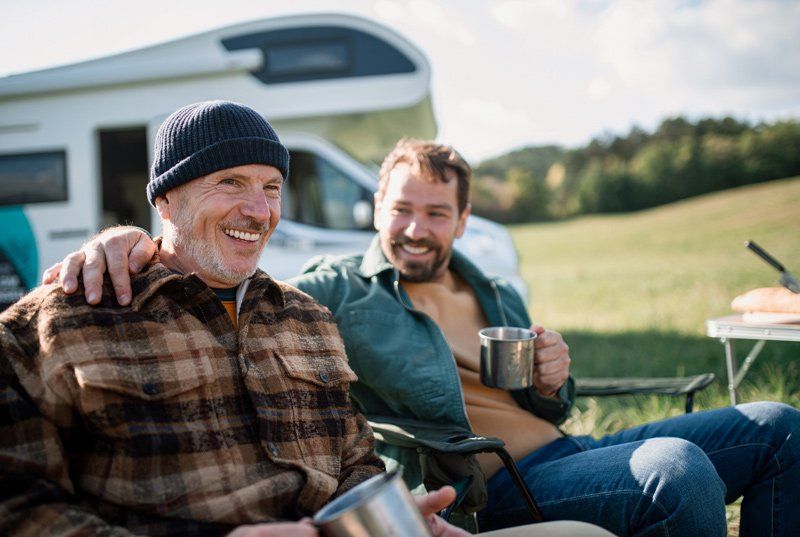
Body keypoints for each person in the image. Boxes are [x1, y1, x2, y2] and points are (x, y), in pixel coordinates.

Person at [46, 138, 800, 536]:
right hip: (489, 479)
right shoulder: (338, 287)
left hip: (569, 453)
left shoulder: (491, 285)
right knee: (679, 469)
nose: (415, 228)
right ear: (376, 207)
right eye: (401, 207)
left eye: (437, 213)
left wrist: (551, 377)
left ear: (463, 220)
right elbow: (230, 282)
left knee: (780, 426)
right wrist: (130, 240)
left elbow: (556, 409)